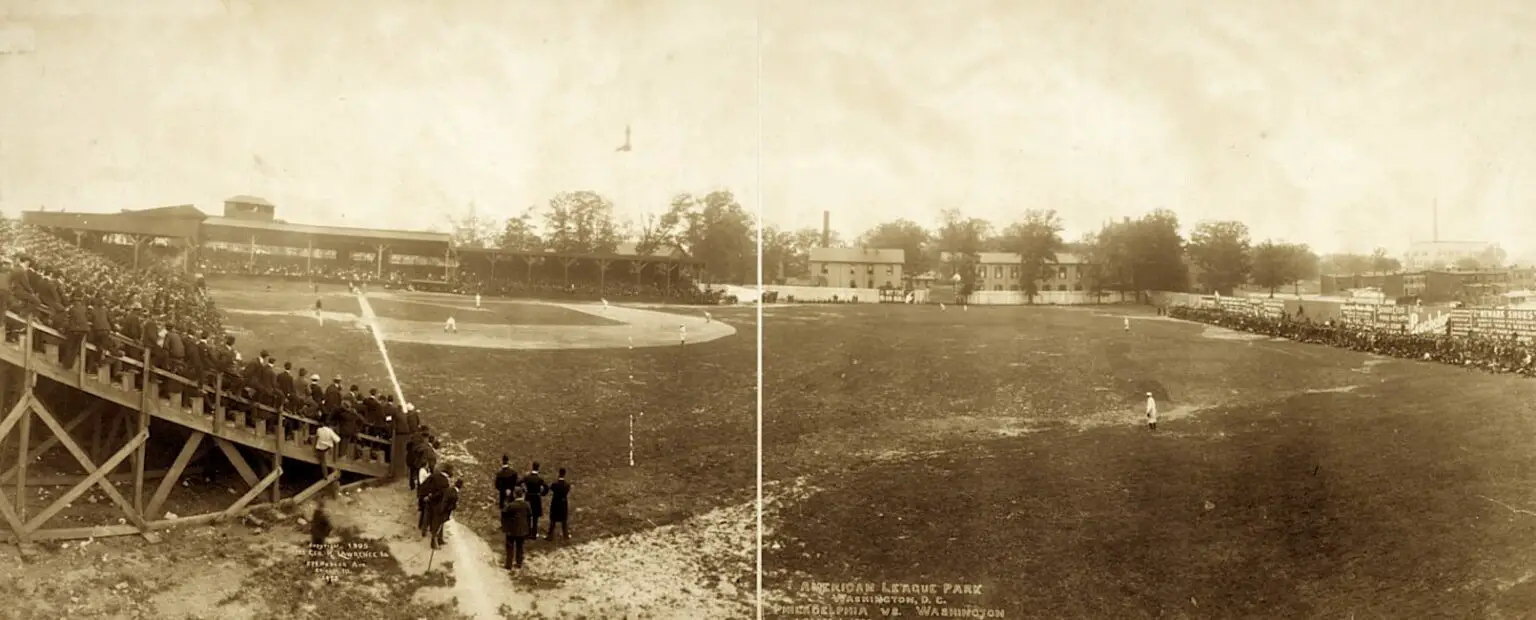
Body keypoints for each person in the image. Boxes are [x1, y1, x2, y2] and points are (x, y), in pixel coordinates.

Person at [501, 487, 532, 570]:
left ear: (515, 495)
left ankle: (508, 564)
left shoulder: (511, 505)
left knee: (510, 547)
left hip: (511, 530)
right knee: (520, 547)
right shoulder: (527, 504)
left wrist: (507, 498)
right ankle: (519, 563)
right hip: (522, 530)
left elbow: (504, 512)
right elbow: (529, 515)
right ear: (522, 494)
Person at [547, 468, 571, 541]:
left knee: (553, 520)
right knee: (564, 521)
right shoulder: (567, 485)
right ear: (564, 474)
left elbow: (550, 488)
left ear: (559, 473)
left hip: (555, 503)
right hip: (563, 504)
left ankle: (550, 536)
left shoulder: (555, 485)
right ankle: (565, 535)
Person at [523, 462, 547, 536]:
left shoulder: (527, 478)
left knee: (528, 516)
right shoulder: (539, 479)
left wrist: (524, 490)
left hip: (528, 497)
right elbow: (546, 487)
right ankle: (534, 533)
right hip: (536, 498)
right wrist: (542, 494)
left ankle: (527, 532)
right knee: (535, 517)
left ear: (532, 467)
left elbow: (518, 483)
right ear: (538, 468)